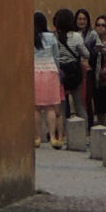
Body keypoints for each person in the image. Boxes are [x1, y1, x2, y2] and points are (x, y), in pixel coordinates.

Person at [33, 13, 64, 147]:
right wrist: (57, 70)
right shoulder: (51, 37)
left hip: (35, 71)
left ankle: (37, 137)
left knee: (36, 108)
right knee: (50, 107)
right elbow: (56, 56)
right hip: (50, 71)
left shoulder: (30, 36)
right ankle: (52, 137)